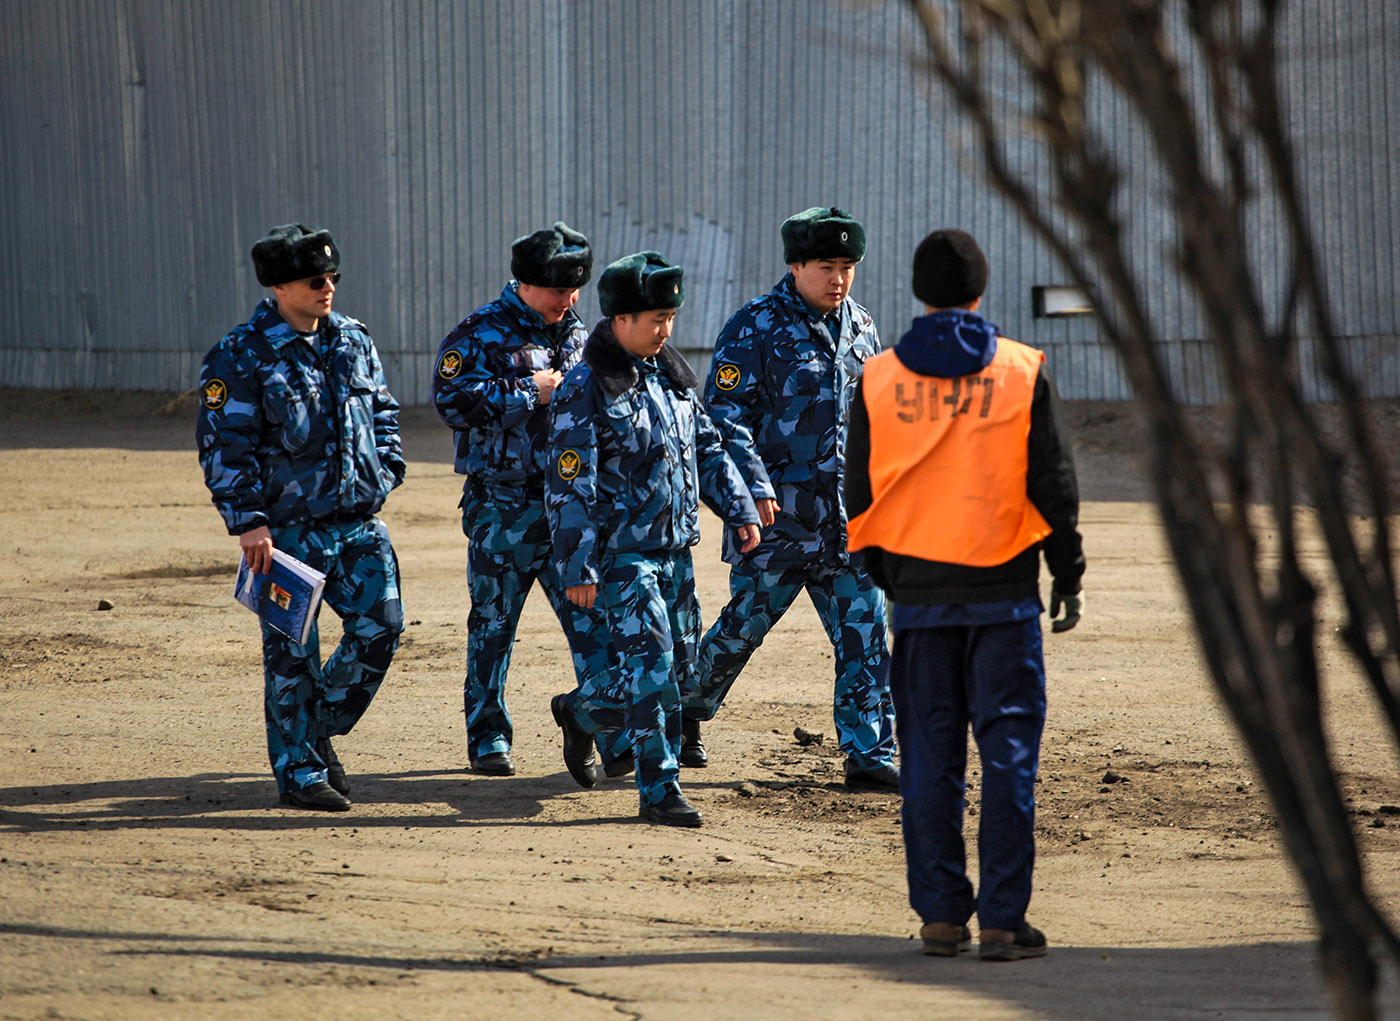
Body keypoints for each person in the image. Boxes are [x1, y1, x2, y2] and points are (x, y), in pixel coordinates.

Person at [844, 228, 1085, 961]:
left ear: (919, 294)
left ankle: (942, 915)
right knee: (1008, 756)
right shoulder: (1020, 369)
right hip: (1005, 594)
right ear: (980, 291)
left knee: (927, 758)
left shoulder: (878, 377)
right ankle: (1005, 921)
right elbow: (1054, 483)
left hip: (919, 598)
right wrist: (1065, 569)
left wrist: (891, 575)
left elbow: (858, 491)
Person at [546, 252, 761, 827]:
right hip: (622, 557)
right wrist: (577, 565)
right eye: (653, 318)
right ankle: (658, 788)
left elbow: (709, 449)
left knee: (682, 671)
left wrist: (739, 509)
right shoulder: (585, 388)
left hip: (675, 551)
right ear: (619, 320)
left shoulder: (671, 375)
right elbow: (571, 487)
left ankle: (583, 712)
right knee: (654, 671)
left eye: (670, 316)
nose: (665, 330)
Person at [196, 223, 405, 812]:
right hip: (285, 532)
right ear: (281, 285)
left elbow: (383, 414)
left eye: (334, 277)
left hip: (359, 523)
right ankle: (299, 773)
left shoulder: (353, 341)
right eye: (316, 279)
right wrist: (248, 522)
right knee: (291, 654)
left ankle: (314, 729)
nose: (329, 287)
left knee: (382, 628)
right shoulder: (240, 355)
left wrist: (385, 471)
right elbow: (223, 445)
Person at [689, 206, 898, 791]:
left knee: (864, 633)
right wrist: (751, 490)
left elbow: (875, 419)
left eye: (848, 266)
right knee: (739, 633)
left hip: (847, 524)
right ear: (796, 265)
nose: (839, 278)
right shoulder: (753, 326)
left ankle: (869, 754)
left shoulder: (862, 327)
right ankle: (683, 713)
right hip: (775, 521)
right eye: (826, 266)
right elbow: (725, 421)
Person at [432, 222, 625, 777]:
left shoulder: (577, 330)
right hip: (504, 508)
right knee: (493, 626)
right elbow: (449, 401)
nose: (567, 301)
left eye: (574, 291)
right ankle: (488, 738)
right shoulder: (479, 333)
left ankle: (607, 730)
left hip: (569, 511)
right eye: (557, 291)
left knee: (595, 624)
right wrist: (528, 391)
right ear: (523, 282)